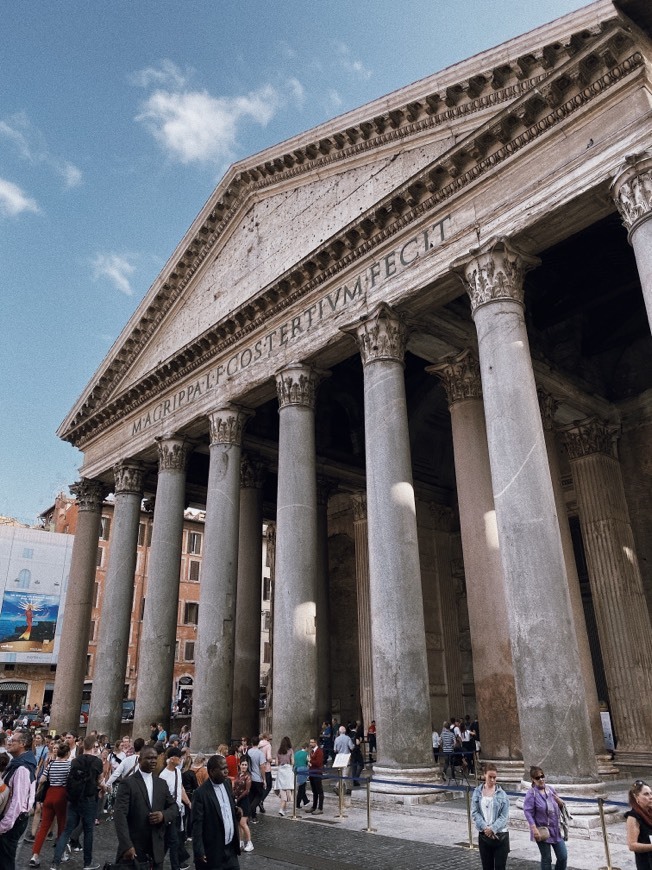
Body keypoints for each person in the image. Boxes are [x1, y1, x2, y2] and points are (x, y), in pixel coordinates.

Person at [113, 745, 178, 870]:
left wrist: (163, 815)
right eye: (149, 758)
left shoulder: (161, 783)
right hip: (135, 846)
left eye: (155, 758)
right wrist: (126, 845)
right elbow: (120, 815)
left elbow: (174, 807)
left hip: (157, 847)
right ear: (139, 760)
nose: (153, 761)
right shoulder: (128, 783)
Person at [51, 734, 103, 870]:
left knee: (67, 830)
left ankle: (55, 862)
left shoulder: (74, 761)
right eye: (96, 746)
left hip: (74, 799)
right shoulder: (97, 762)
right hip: (89, 799)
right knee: (88, 831)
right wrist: (104, 787)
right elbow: (100, 781)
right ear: (92, 747)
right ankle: (87, 863)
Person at [192, 754, 241, 869]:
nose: (226, 771)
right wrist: (198, 850)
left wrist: (236, 811)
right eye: (223, 769)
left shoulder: (227, 784)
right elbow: (197, 824)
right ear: (212, 771)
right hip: (213, 851)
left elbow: (228, 807)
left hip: (231, 850)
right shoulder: (201, 793)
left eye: (227, 768)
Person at [29, 741, 71, 867]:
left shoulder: (51, 764)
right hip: (62, 794)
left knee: (43, 827)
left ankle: (35, 855)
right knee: (62, 825)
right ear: (68, 753)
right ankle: (60, 853)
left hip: (49, 794)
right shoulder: (69, 765)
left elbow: (42, 779)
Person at [0, 729, 37, 869]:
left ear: (23, 744)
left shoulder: (22, 768)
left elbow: (17, 802)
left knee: (5, 861)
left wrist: (4, 825)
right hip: (14, 820)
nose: (9, 742)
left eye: (13, 740)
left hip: (13, 822)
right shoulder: (19, 762)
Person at [523, 766, 567, 870]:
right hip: (542, 830)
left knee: (563, 856)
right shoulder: (531, 794)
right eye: (538, 778)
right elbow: (528, 812)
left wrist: (560, 803)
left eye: (542, 776)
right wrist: (534, 829)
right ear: (533, 779)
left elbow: (558, 805)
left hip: (555, 829)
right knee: (547, 858)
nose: (541, 779)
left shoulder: (550, 789)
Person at [471, 763, 510, 870]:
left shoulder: (502, 794)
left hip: (500, 835)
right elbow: (475, 812)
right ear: (485, 775)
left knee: (500, 867)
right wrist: (485, 828)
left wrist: (493, 829)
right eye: (490, 777)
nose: (492, 780)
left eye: (494, 777)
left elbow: (504, 816)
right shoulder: (477, 792)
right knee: (487, 866)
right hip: (484, 835)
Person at [159, 746, 191, 870]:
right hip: (169, 812)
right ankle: (175, 867)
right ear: (172, 759)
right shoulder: (163, 775)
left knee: (170, 841)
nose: (181, 759)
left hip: (178, 811)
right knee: (174, 841)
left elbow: (180, 788)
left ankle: (156, 862)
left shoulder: (178, 772)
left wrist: (188, 802)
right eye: (179, 757)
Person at [625, 779, 652, 868]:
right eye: (646, 794)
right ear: (636, 797)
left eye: (651, 793)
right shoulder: (633, 817)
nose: (650, 797)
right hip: (647, 862)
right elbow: (632, 845)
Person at [232, 758, 254, 852]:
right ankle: (240, 841)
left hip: (244, 801)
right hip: (237, 801)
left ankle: (249, 842)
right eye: (242, 764)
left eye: (245, 765)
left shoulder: (248, 776)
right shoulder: (238, 775)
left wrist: (238, 798)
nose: (244, 766)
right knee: (238, 823)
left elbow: (247, 791)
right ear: (239, 765)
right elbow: (235, 786)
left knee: (243, 823)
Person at [275, 736, 294, 815]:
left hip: (281, 771)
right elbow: (292, 762)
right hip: (288, 770)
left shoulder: (278, 751)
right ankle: (281, 809)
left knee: (282, 789)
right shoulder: (290, 751)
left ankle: (284, 809)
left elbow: (276, 763)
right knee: (287, 789)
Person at [305, 738, 324, 815]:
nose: (310, 744)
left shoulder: (319, 751)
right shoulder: (311, 751)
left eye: (312, 742)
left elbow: (318, 763)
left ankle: (320, 808)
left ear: (315, 743)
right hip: (312, 772)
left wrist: (310, 761)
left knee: (319, 791)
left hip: (317, 773)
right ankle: (314, 806)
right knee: (314, 791)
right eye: (310, 742)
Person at [257, 733, 273, 812]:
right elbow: (269, 757)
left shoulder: (259, 745)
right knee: (269, 786)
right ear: (267, 738)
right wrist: (271, 760)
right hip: (266, 767)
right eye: (270, 738)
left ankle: (261, 805)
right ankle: (261, 800)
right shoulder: (268, 745)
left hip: (259, 767)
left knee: (262, 786)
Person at [294, 743, 310, 809]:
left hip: (296, 769)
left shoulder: (296, 753)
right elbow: (308, 761)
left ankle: (305, 800)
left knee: (302, 785)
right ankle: (298, 803)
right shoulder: (306, 754)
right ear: (306, 747)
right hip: (303, 769)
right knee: (302, 786)